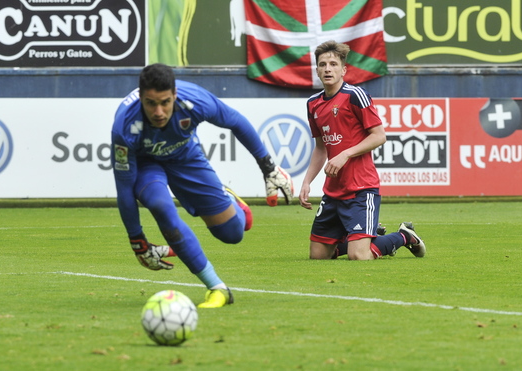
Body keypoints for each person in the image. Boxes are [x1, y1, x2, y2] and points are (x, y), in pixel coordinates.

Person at [111, 63, 294, 308]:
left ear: (174, 95)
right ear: (141, 97)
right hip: (147, 165)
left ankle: (229, 199)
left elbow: (235, 121)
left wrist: (268, 167)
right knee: (160, 206)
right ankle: (217, 288)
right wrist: (138, 242)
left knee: (232, 234)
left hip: (185, 157)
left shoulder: (195, 100)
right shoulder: (124, 127)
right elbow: (124, 190)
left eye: (165, 102)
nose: (158, 111)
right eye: (150, 103)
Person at [298, 41, 426, 261]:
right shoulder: (313, 104)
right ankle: (367, 236)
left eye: (333, 64)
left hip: (361, 189)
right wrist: (307, 181)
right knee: (317, 256)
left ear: (343, 69)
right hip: (333, 192)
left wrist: (345, 153)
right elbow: (321, 147)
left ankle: (403, 236)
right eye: (322, 64)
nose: (327, 68)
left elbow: (379, 136)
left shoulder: (355, 95)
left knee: (359, 256)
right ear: (317, 70)